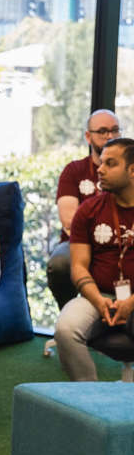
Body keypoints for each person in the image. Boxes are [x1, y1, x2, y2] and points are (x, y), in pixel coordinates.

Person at [53, 137, 134, 381]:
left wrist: (130, 302)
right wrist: (98, 301)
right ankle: (90, 397)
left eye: (111, 164)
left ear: (132, 170)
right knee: (65, 329)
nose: (100, 169)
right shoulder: (88, 210)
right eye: (101, 162)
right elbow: (78, 266)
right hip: (99, 295)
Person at [49, 110, 120, 308]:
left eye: (115, 130)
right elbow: (69, 222)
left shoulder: (127, 174)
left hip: (122, 242)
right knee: (60, 264)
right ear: (88, 136)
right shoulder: (74, 171)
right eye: (103, 131)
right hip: (78, 243)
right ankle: (69, 312)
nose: (110, 136)